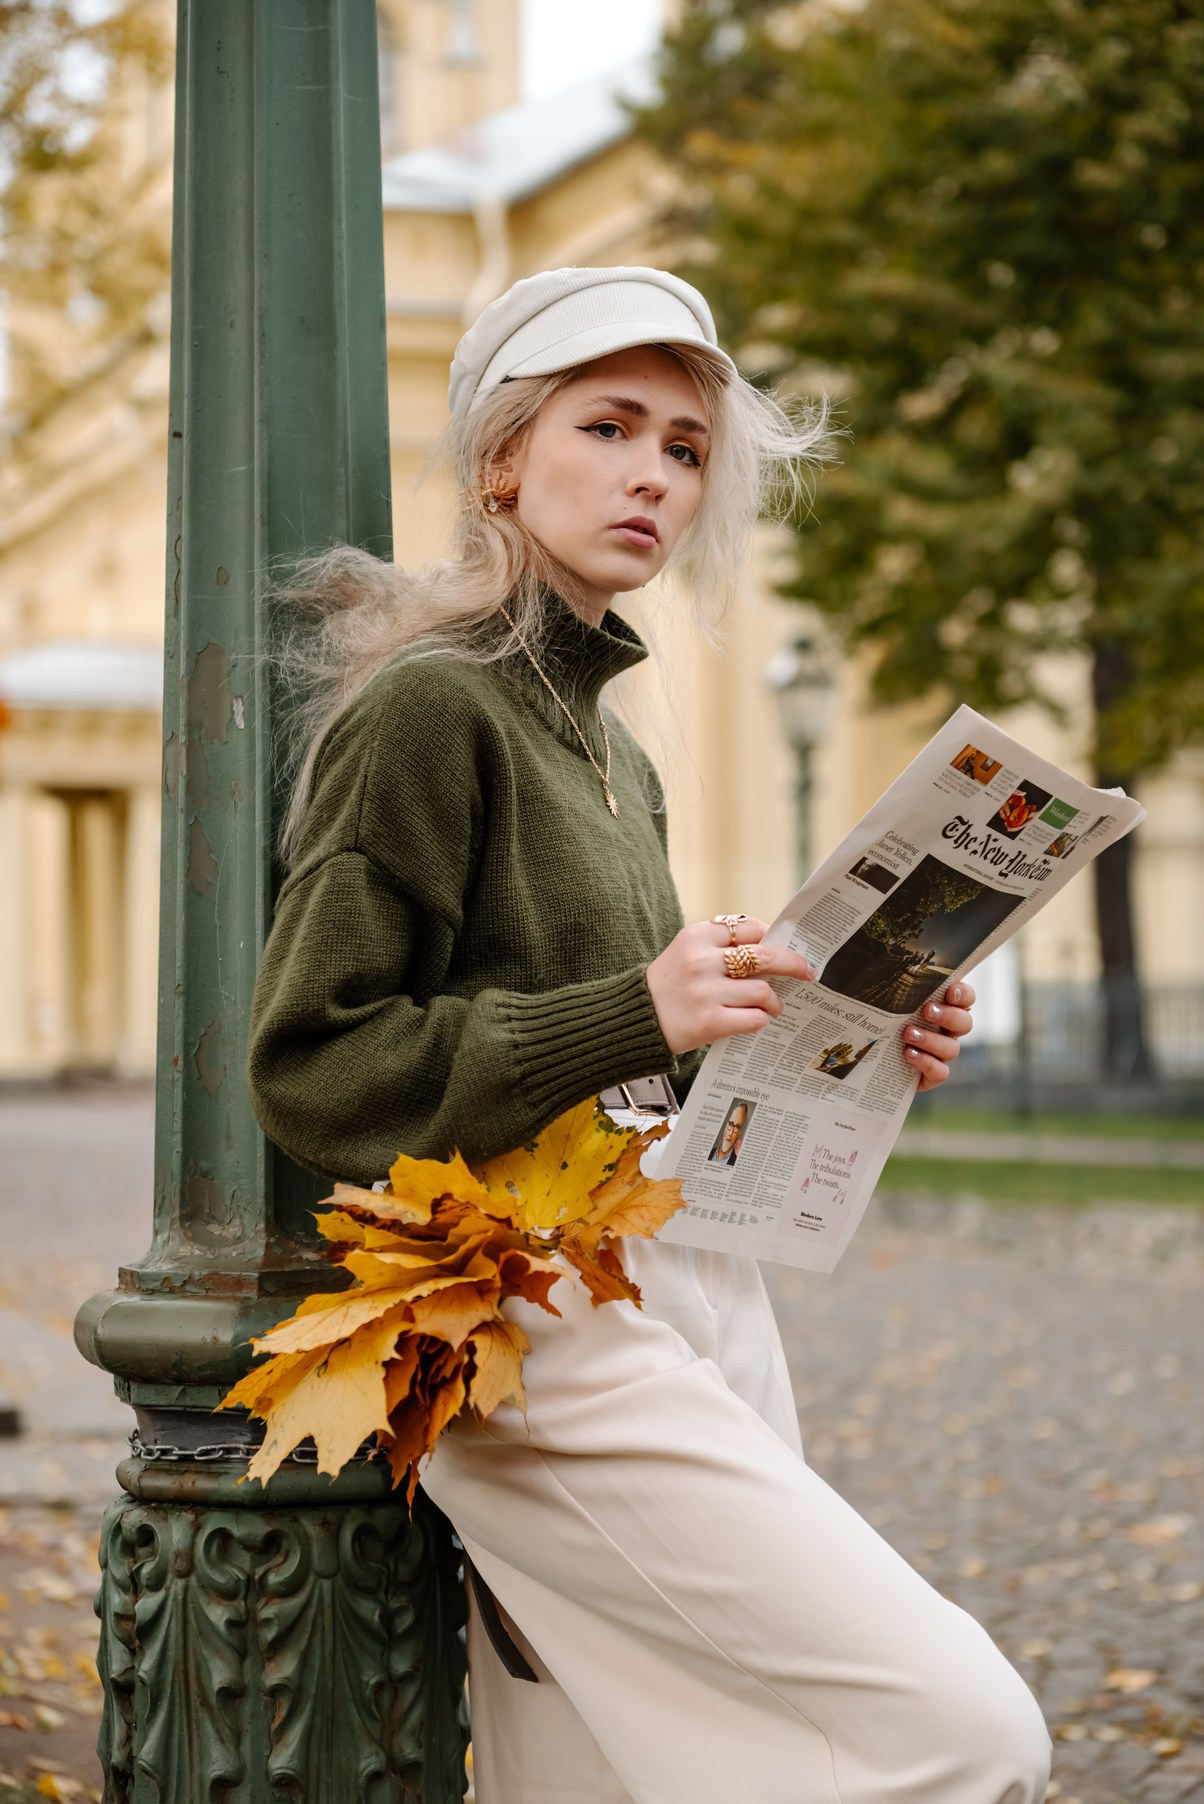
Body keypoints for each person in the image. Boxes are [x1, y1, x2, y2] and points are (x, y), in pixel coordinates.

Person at [248, 266, 1051, 1804]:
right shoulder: (429, 709)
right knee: (963, 1733)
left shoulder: (613, 749)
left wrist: (863, 1029)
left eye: (684, 448)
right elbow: (317, 1060)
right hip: (524, 1322)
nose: (652, 476)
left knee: (591, 1783)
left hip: (682, 1274)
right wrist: (639, 1004)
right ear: (504, 457)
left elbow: (636, 1065)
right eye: (607, 427)